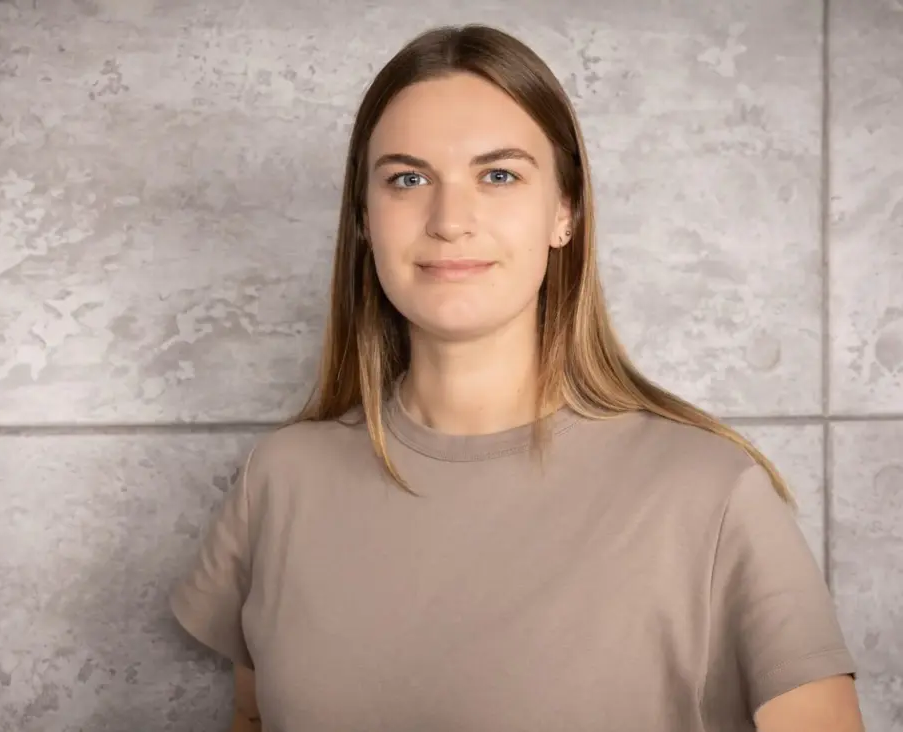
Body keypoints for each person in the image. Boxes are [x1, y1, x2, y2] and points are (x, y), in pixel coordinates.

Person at [169, 23, 865, 732]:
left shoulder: (712, 495)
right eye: (408, 179)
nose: (449, 220)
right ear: (363, 221)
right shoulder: (279, 482)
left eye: (498, 175)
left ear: (565, 211)